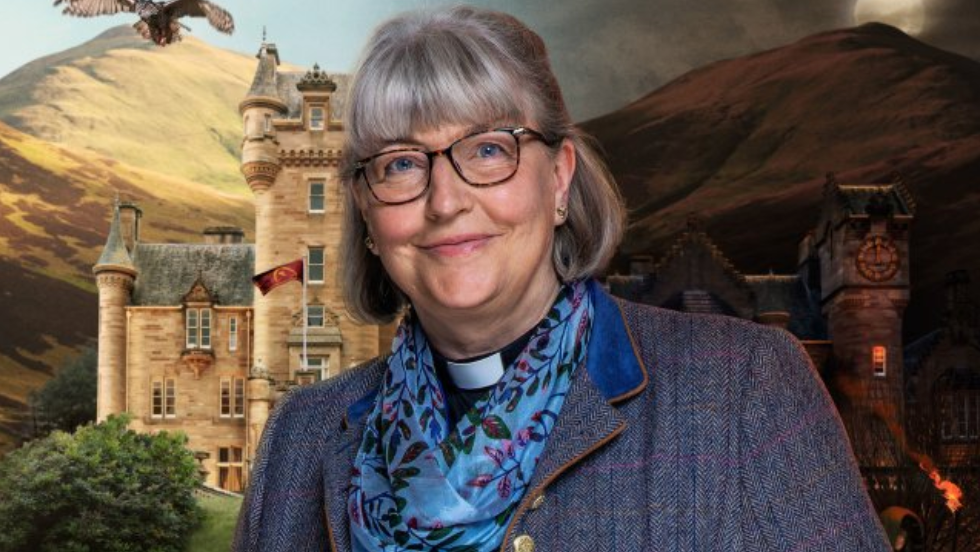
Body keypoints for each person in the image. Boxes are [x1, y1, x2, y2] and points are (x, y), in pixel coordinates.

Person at [234, 6, 891, 552]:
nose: (445, 200)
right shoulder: (304, 435)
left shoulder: (744, 387)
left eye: (488, 149)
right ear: (369, 218)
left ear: (559, 178)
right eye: (402, 165)